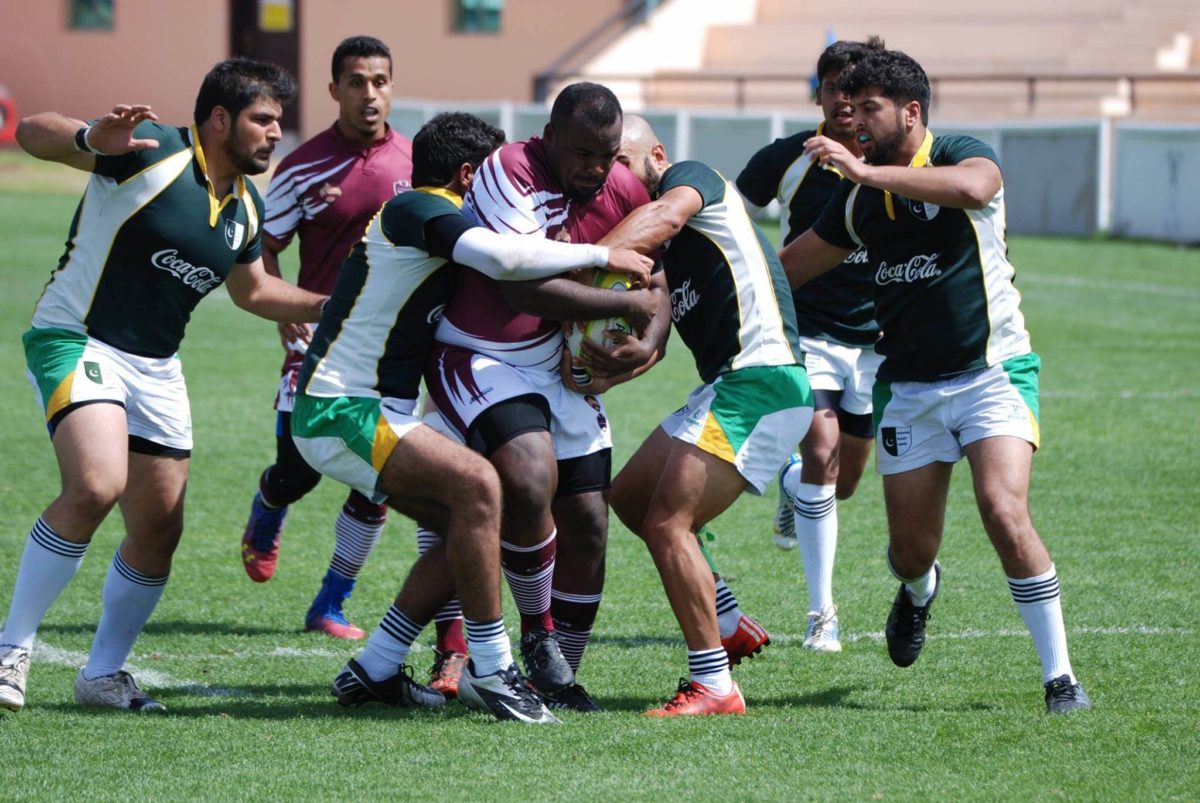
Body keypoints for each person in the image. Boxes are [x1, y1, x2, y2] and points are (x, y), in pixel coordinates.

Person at [288, 111, 651, 722]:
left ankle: (373, 670)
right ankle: (496, 668)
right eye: (490, 178)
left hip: (376, 411)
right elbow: (505, 260)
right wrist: (601, 253)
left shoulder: (432, 219)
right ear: (468, 174)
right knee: (481, 486)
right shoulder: (416, 210)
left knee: (473, 533)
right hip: (341, 408)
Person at [0, 59, 328, 713]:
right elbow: (35, 131)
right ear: (218, 118)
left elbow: (254, 289)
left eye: (278, 123)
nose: (274, 134)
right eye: (263, 120)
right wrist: (91, 139)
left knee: (159, 528)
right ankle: (12, 648)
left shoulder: (244, 207)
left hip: (156, 367)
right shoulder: (151, 150)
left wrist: (333, 304)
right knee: (96, 483)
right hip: (77, 338)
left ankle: (102, 673)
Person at [779, 48, 1091, 714]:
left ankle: (1060, 678)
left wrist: (867, 171)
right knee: (910, 549)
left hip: (993, 373)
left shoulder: (958, 151)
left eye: (870, 108)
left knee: (1004, 512)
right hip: (911, 391)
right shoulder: (859, 200)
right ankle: (920, 590)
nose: (854, 119)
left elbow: (977, 188)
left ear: (912, 112)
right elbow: (790, 268)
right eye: (848, 106)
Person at [426, 82, 669, 711]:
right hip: (480, 355)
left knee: (588, 522)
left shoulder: (620, 185)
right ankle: (534, 636)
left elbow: (659, 278)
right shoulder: (510, 169)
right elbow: (520, 289)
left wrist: (648, 346)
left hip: (556, 365)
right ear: (550, 135)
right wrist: (626, 302)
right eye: (584, 152)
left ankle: (557, 677)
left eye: (609, 153)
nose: (596, 168)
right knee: (530, 480)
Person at [603, 115, 813, 716]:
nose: (613, 172)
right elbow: (654, 343)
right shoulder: (671, 249)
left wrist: (580, 258)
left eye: (620, 158)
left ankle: (715, 685)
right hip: (729, 386)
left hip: (761, 382)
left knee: (670, 524)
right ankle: (727, 623)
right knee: (631, 499)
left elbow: (665, 215)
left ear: (657, 154)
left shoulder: (692, 182)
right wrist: (598, 372)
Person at [236, 36, 416, 646]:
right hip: (316, 341)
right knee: (298, 471)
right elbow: (264, 245)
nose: (371, 94)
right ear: (334, 89)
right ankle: (269, 503)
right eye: (357, 82)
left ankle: (330, 603)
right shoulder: (303, 165)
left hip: (388, 350)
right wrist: (282, 306)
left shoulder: (415, 165)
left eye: (381, 81)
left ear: (392, 87)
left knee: (379, 478)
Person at [735, 36, 885, 653]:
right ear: (818, 93)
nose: (843, 102)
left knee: (842, 481)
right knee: (822, 450)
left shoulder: (895, 160)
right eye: (832, 89)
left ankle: (794, 489)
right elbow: (732, 213)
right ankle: (823, 614)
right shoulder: (789, 158)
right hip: (809, 329)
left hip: (877, 343)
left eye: (855, 91)